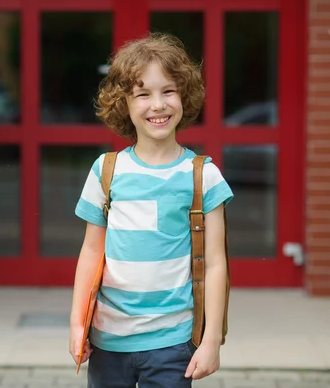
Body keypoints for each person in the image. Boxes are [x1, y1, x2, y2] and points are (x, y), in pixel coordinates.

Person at [69, 32, 234, 388]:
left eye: (168, 91)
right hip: (108, 341)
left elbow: (217, 263)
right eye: (143, 94)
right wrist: (77, 324)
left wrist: (210, 342)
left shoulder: (203, 176)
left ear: (184, 96)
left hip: (173, 343)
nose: (157, 105)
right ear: (123, 104)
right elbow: (91, 251)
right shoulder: (106, 172)